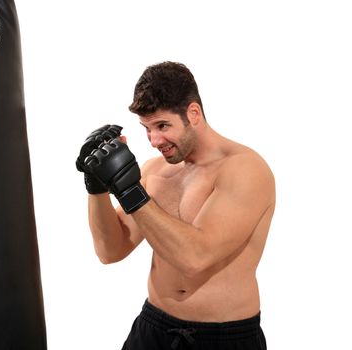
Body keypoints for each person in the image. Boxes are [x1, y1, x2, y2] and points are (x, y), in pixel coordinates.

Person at [76, 62, 275, 349]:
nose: (155, 140)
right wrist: (96, 188)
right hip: (153, 328)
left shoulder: (245, 170)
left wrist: (130, 191)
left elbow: (196, 256)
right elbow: (110, 251)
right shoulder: (154, 171)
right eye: (146, 128)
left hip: (223, 338)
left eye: (162, 126)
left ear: (193, 113)